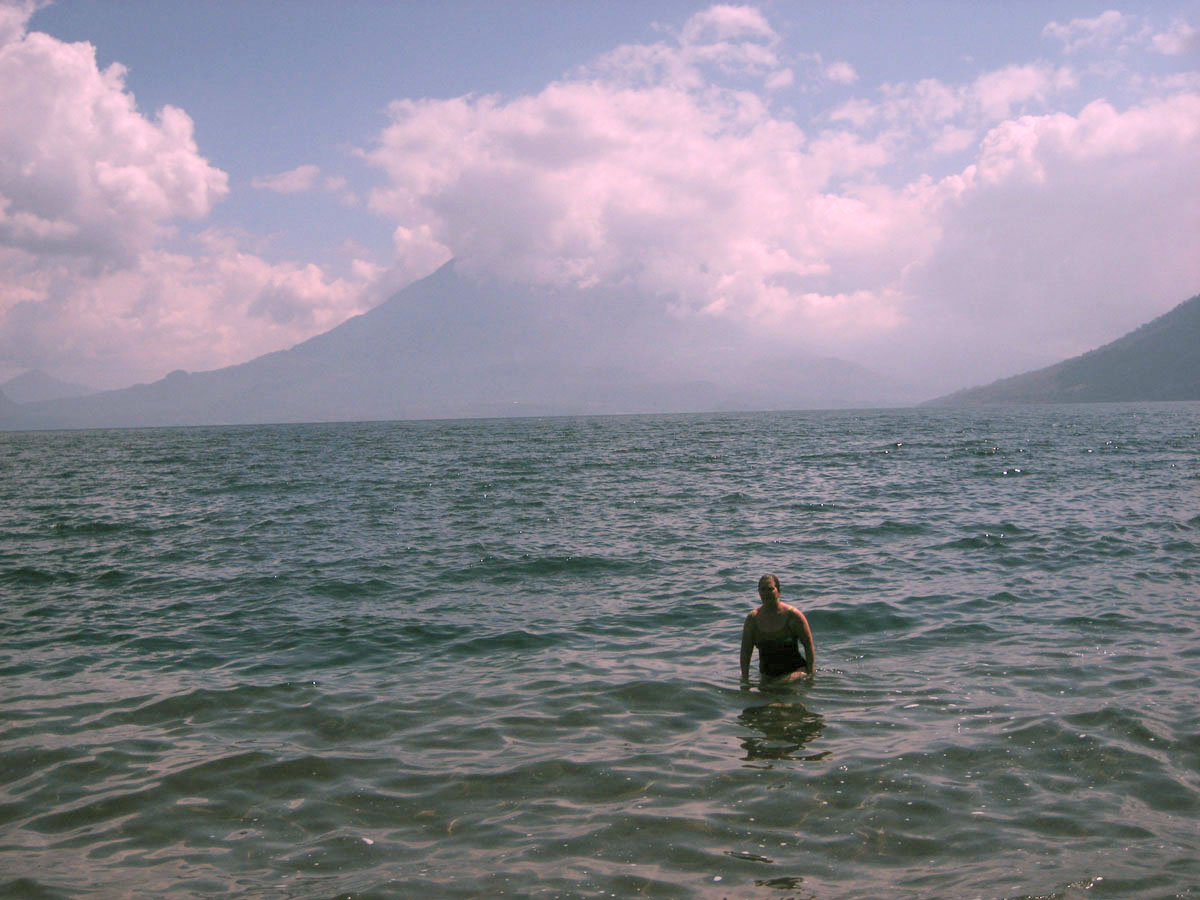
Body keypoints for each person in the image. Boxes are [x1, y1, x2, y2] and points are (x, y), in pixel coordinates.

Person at [740, 574, 815, 682]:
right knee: (768, 689)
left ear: (779, 591)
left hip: (794, 672)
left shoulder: (793, 616)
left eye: (770, 589)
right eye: (762, 589)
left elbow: (808, 645)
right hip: (767, 676)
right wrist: (745, 680)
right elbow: (745, 652)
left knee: (780, 685)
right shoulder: (753, 619)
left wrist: (810, 675)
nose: (766, 593)